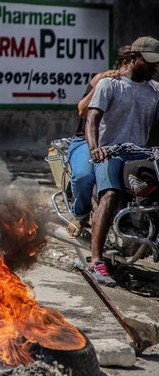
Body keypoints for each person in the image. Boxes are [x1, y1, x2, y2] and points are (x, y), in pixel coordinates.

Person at [84, 36, 159, 286]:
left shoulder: (155, 90)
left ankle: (145, 236)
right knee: (111, 195)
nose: (153, 68)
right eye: (149, 62)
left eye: (156, 63)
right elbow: (92, 119)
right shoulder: (110, 85)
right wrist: (96, 149)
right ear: (134, 58)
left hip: (141, 154)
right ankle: (96, 261)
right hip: (111, 153)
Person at [65, 46, 129, 237]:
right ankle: (81, 213)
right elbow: (82, 110)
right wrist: (100, 84)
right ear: (126, 63)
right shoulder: (103, 80)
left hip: (119, 144)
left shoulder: (145, 87)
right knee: (83, 176)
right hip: (86, 140)